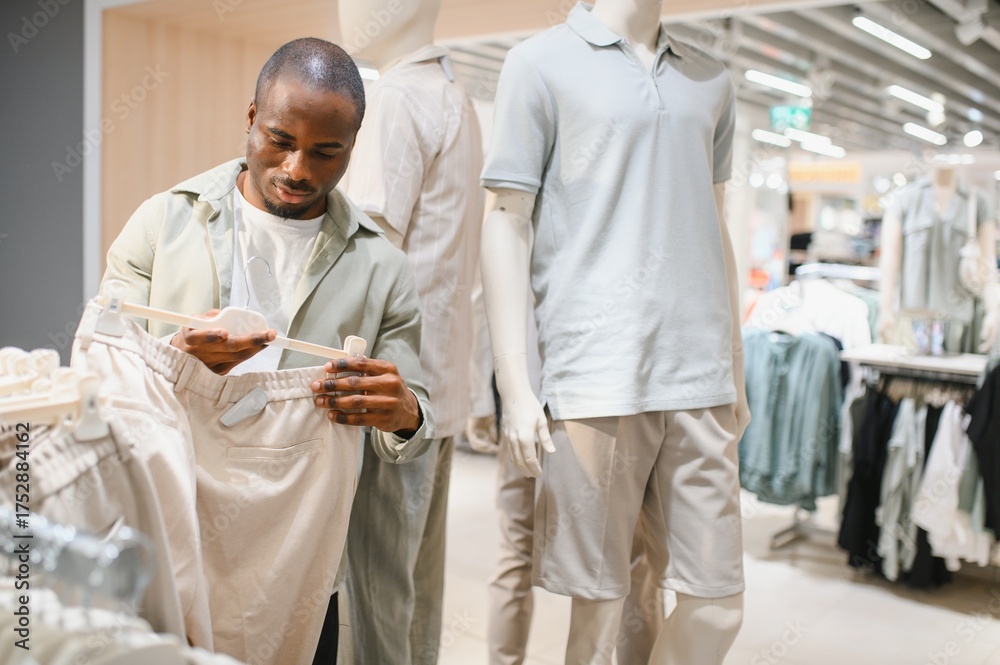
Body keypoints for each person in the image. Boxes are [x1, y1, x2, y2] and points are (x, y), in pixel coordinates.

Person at [102, 36, 433, 662]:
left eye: (326, 151)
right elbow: (105, 373)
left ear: (352, 149)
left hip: (302, 554)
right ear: (251, 118)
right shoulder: (161, 224)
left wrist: (403, 410)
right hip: (173, 525)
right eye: (281, 140)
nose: (298, 169)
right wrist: (174, 359)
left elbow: (415, 426)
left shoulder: (382, 268)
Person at [479, 1, 749, 663]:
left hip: (700, 373)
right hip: (593, 373)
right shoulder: (538, 64)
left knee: (718, 601)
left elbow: (715, 224)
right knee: (597, 609)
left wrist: (735, 366)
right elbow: (506, 218)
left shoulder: (711, 79)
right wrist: (516, 384)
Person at [333, 1, 484, 662]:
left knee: (373, 601)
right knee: (416, 596)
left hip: (388, 402)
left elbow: (368, 264)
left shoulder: (394, 100)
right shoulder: (457, 99)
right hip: (437, 392)